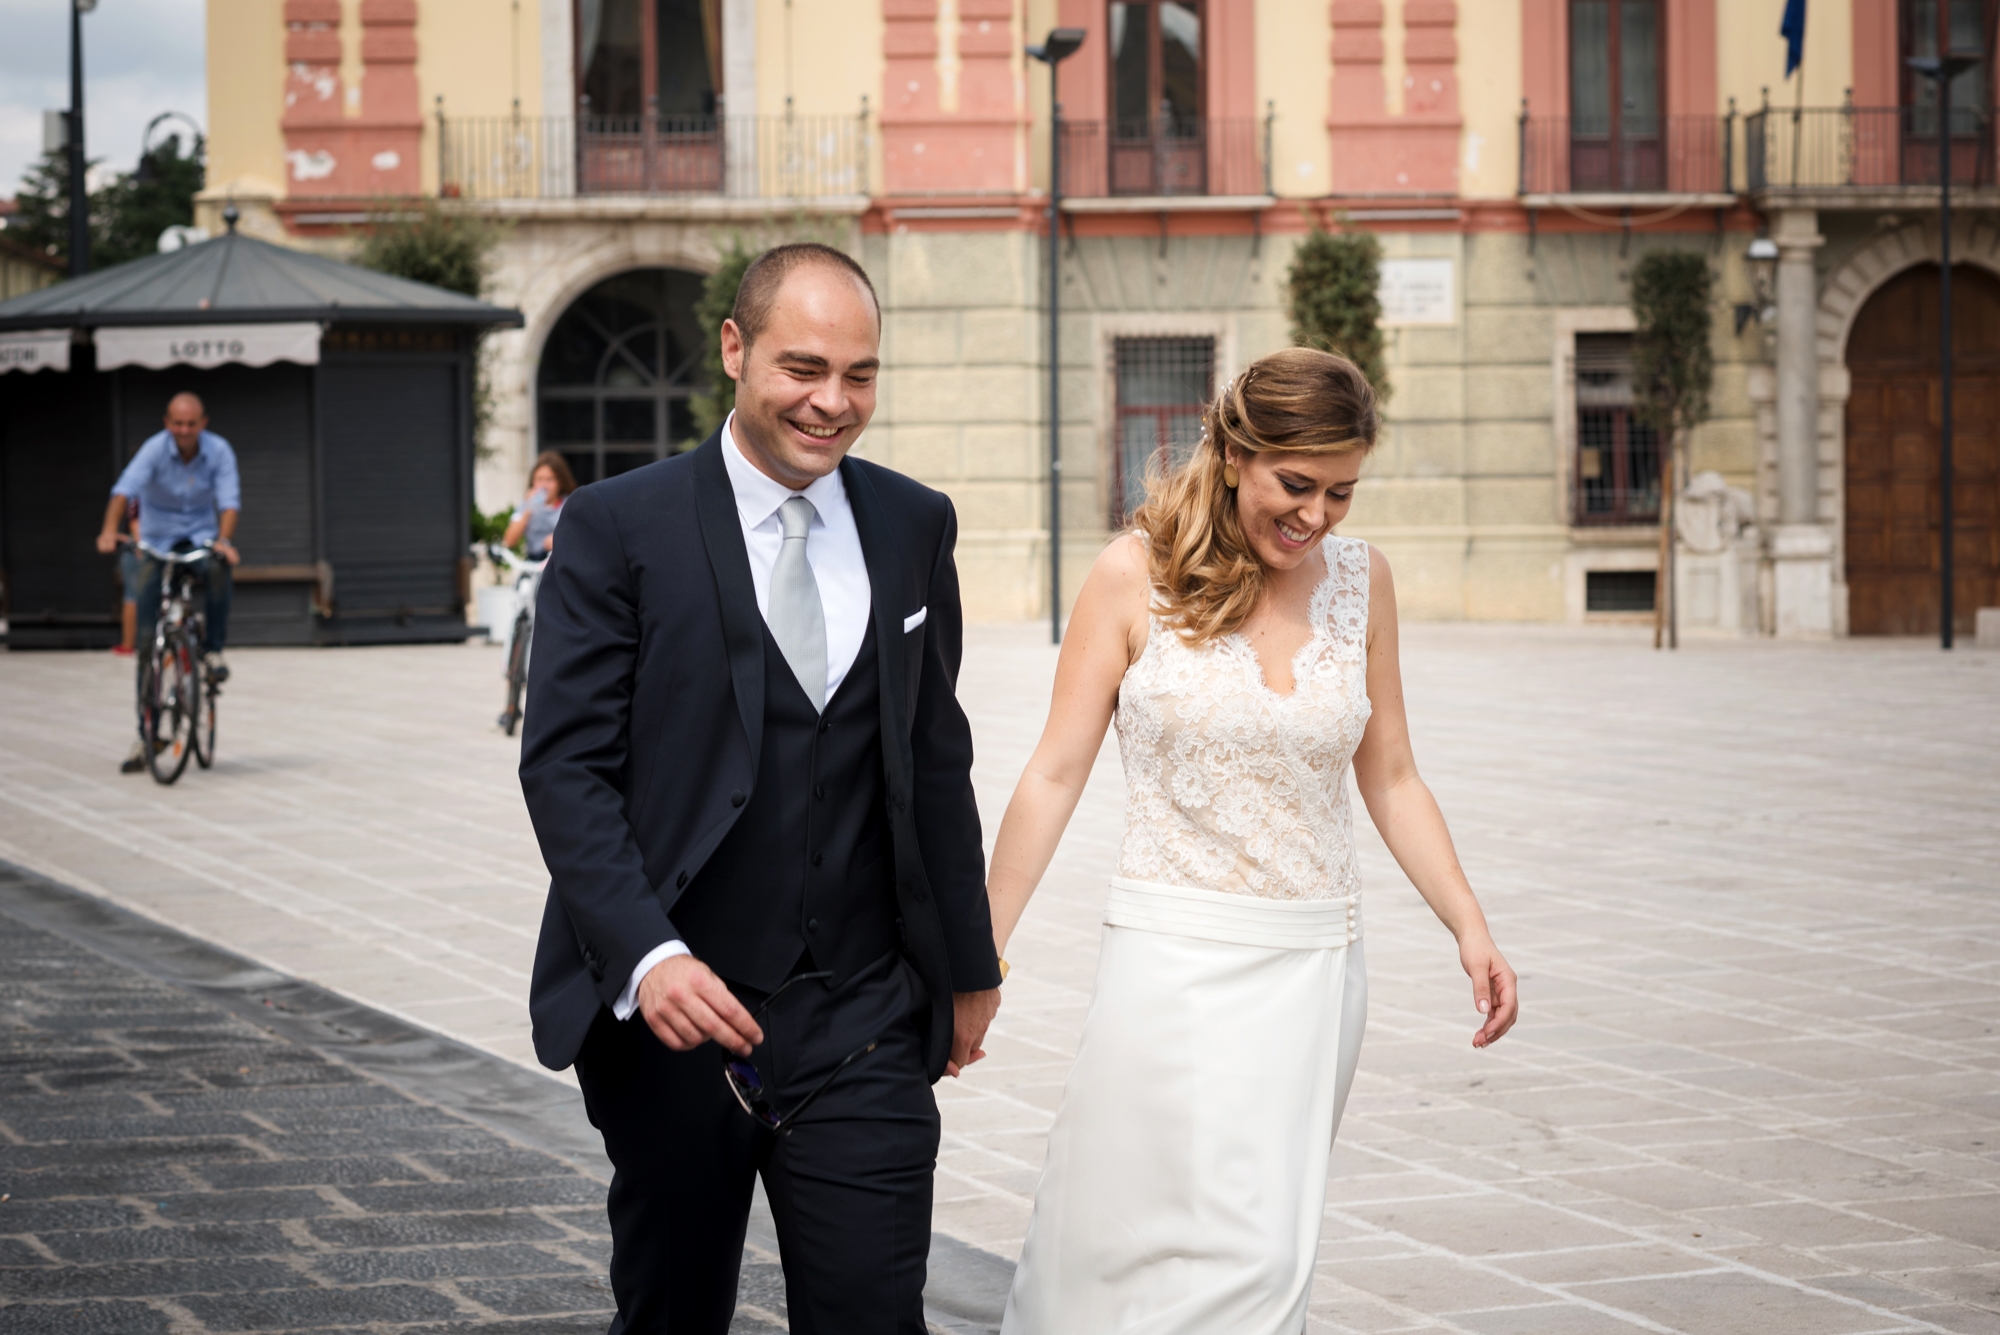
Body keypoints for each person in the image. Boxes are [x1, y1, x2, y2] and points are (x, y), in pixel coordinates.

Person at [518, 242, 1003, 1334]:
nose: (833, 403)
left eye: (860, 374)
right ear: (734, 349)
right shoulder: (615, 527)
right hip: (677, 1021)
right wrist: (648, 955)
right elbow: (565, 767)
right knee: (672, 1312)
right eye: (803, 368)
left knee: (873, 1313)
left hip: (864, 1012)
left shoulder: (913, 523)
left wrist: (968, 966)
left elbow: (934, 756)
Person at [987, 348, 1519, 1333]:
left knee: (1263, 1256)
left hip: (1314, 968)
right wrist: (977, 959)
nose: (1315, 515)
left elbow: (1390, 772)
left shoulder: (1363, 583)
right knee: (1108, 1243)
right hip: (1167, 964)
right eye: (1296, 484)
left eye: (1342, 492)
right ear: (1234, 452)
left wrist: (1467, 923)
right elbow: (1052, 773)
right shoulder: (1128, 576)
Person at [97, 393, 241, 774]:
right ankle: (145, 733)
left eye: (191, 424)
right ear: (167, 423)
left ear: (203, 423)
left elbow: (229, 500)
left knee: (217, 569)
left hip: (198, 540)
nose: (184, 430)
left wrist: (223, 541)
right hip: (156, 545)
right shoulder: (153, 451)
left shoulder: (219, 451)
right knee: (146, 643)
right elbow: (123, 491)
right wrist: (110, 531)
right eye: (177, 423)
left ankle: (211, 651)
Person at [502, 451, 575, 559]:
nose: (544, 485)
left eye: (550, 479)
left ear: (560, 482)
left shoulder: (569, 504)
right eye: (539, 479)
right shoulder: (527, 504)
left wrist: (558, 539)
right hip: (534, 563)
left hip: (560, 562)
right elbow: (509, 541)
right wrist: (528, 510)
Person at [113, 497, 143, 657]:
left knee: (131, 596)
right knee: (133, 596)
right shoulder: (140, 491)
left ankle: (128, 644)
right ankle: (128, 643)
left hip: (137, 550)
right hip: (137, 551)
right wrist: (139, 546)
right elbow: (135, 519)